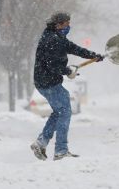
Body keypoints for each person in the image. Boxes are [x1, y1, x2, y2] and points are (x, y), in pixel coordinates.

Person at [30, 12, 104, 161]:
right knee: (64, 111)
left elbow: (74, 48)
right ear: (58, 25)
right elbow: (51, 65)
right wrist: (67, 71)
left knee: (59, 112)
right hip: (48, 82)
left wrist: (93, 56)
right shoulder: (51, 40)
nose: (69, 27)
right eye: (66, 24)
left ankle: (41, 142)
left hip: (47, 82)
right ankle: (61, 150)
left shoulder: (57, 37)